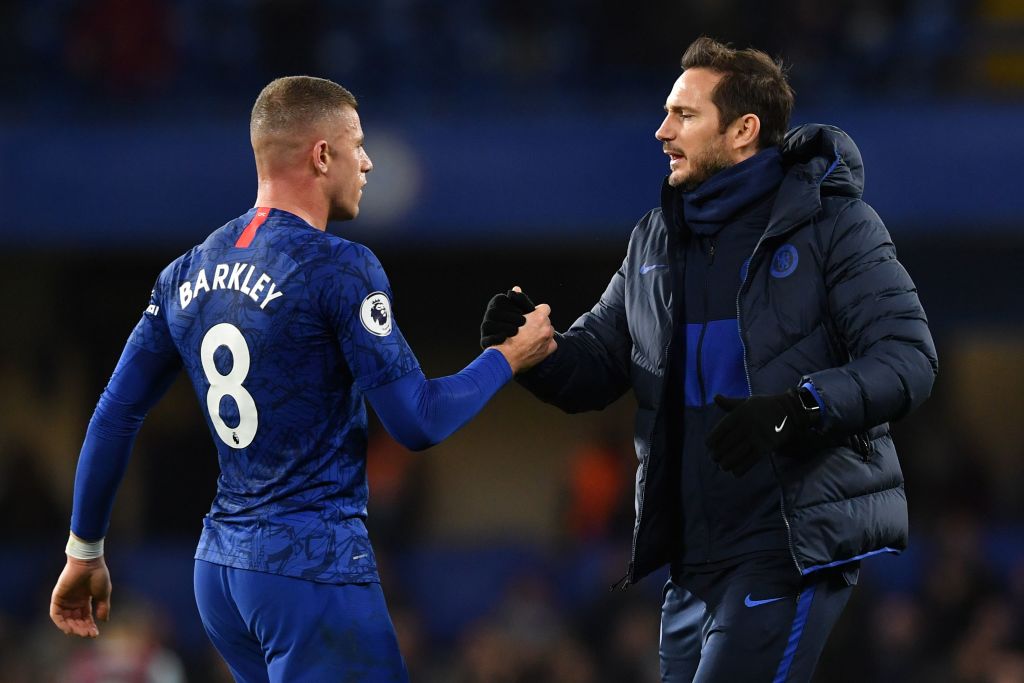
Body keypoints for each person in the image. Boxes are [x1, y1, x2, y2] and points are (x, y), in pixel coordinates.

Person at [49, 75, 556, 682]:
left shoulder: (184, 273)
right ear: (322, 155)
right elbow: (417, 421)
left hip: (221, 575)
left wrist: (84, 550)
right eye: (358, 145)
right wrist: (507, 356)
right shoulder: (339, 267)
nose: (367, 162)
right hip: (310, 569)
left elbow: (115, 413)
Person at [481, 37, 937, 682]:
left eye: (685, 115)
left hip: (787, 544)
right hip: (693, 563)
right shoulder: (657, 238)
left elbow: (908, 359)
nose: (662, 130)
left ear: (744, 129)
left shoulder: (836, 225)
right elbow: (595, 366)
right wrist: (531, 351)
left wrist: (797, 410)